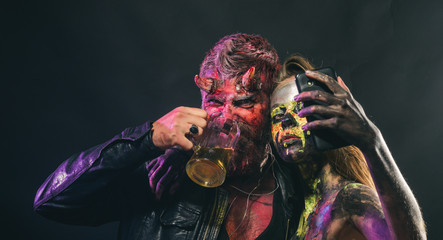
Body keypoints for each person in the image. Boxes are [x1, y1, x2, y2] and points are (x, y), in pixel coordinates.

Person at [34, 33, 304, 240]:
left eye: (244, 102)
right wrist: (147, 139)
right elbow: (52, 202)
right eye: (214, 101)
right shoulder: (162, 173)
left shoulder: (295, 179)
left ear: (271, 104)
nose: (226, 117)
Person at [270, 55, 426, 239]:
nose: (287, 121)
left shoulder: (350, 199)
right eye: (277, 116)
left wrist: (372, 140)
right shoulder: (297, 214)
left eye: (299, 108)